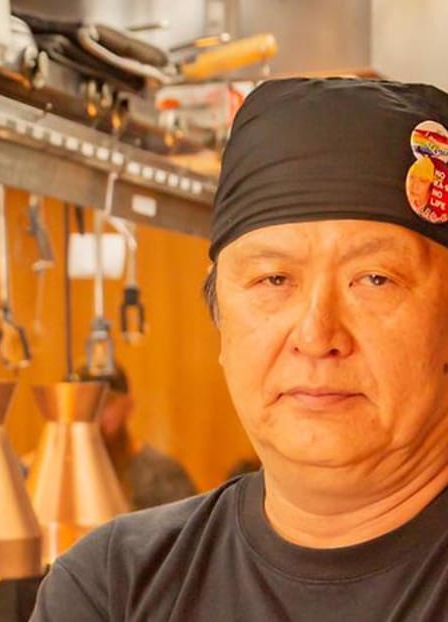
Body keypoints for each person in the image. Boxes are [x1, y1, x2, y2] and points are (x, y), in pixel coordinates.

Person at [31, 77, 448, 620]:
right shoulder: (112, 587)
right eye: (274, 280)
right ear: (221, 323)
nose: (317, 336)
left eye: (374, 279)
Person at [77, 365, 196, 510]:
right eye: (83, 403)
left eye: (105, 402)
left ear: (128, 406)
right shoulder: (68, 472)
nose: (94, 414)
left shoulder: (162, 475)